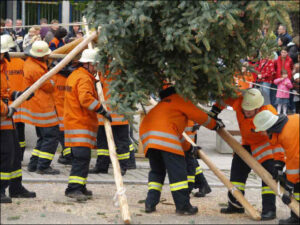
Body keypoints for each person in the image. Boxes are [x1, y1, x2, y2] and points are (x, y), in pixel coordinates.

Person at [140, 86, 223, 215]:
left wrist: (189, 148)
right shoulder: (179, 100)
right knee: (178, 174)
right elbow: (200, 116)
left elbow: (175, 134)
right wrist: (215, 125)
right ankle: (183, 207)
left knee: (157, 172)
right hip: (165, 139)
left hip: (149, 140)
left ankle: (150, 203)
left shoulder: (162, 105)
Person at [212, 88, 285, 220]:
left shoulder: (269, 112)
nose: (246, 113)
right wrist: (215, 110)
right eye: (245, 110)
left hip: (264, 145)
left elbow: (278, 140)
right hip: (246, 143)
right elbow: (224, 98)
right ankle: (236, 204)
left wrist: (279, 162)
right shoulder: (239, 101)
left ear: (258, 108)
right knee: (237, 172)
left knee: (268, 176)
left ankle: (269, 210)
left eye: (250, 111)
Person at [64, 49, 112, 201]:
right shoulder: (84, 78)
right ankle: (73, 189)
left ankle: (80, 186)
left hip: (76, 122)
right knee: (81, 158)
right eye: (96, 65)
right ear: (88, 64)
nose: (97, 68)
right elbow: (85, 99)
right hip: (80, 123)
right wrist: (102, 110)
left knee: (82, 157)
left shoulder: (76, 75)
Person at [1, 36, 36, 204]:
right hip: (3, 118)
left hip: (7, 121)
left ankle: (16, 187)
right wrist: (7, 109)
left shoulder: (3, 67)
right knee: (5, 155)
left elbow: (4, 92)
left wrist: (18, 95)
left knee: (14, 154)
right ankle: (1, 190)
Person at [253, 110, 299, 225]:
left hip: (296, 158)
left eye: (262, 131)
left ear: (268, 128)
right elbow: (278, 145)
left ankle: (296, 216)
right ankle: (296, 216)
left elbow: (294, 161)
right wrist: (278, 165)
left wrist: (289, 186)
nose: (261, 134)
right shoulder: (279, 127)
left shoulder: (288, 133)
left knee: (297, 184)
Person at [23, 41, 60, 175]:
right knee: (52, 136)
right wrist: (53, 74)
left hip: (38, 106)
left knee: (44, 137)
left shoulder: (30, 63)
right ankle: (43, 166)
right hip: (43, 107)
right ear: (41, 56)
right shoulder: (37, 69)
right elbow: (50, 86)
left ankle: (34, 164)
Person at [89, 69, 131, 176]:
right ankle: (102, 166)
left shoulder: (120, 71)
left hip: (118, 117)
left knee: (121, 144)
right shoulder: (99, 73)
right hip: (103, 115)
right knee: (103, 145)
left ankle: (122, 167)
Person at [2, 34, 27, 160]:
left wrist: (15, 94)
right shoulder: (21, 63)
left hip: (7, 112)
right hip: (10, 111)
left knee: (12, 149)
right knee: (16, 138)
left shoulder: (4, 66)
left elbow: (5, 89)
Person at [51, 61, 76, 165]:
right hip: (72, 113)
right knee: (70, 137)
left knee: (63, 138)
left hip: (58, 114)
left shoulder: (54, 77)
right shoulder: (73, 77)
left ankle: (67, 156)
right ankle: (68, 155)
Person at [182, 121, 212, 197]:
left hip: (187, 136)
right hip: (186, 135)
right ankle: (203, 185)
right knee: (191, 161)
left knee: (189, 162)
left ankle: (189, 188)